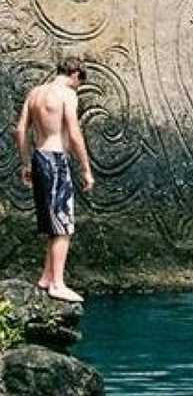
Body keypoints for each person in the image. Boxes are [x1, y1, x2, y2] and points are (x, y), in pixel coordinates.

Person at [12, 57, 95, 303]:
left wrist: (26, 163)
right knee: (64, 225)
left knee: (52, 223)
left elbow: (19, 130)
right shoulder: (67, 94)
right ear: (75, 74)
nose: (77, 87)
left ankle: (47, 277)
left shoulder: (35, 92)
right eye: (79, 83)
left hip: (38, 157)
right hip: (56, 159)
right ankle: (58, 284)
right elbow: (75, 133)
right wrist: (86, 169)